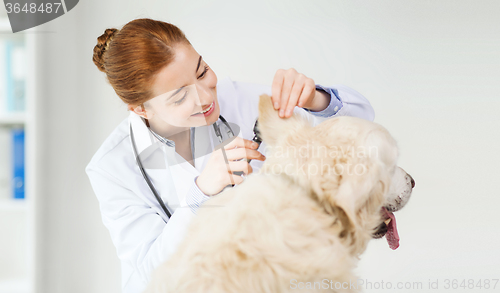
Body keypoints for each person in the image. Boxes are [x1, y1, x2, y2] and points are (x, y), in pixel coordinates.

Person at [86, 18, 375, 293]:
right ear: (140, 109)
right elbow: (150, 274)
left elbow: (362, 126)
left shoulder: (239, 100)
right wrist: (200, 194)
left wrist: (316, 100)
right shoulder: (112, 167)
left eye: (202, 72)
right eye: (179, 97)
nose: (206, 98)